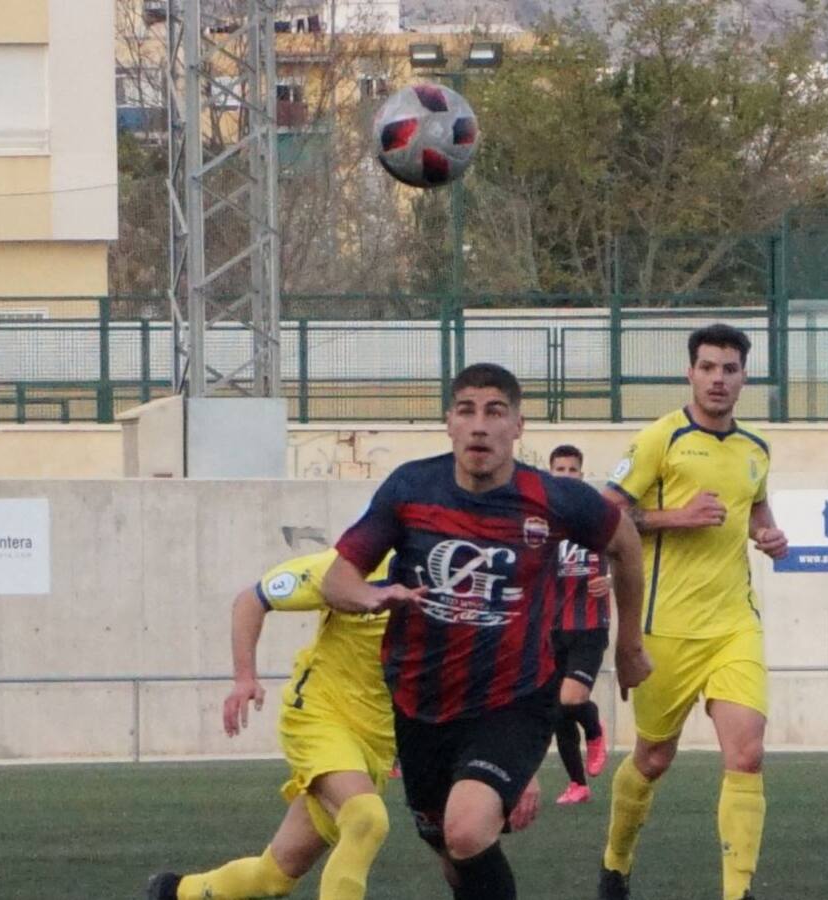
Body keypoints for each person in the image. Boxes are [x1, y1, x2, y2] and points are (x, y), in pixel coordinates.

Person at [321, 362, 652, 900]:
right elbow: (339, 577)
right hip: (417, 703)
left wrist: (631, 644)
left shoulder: (554, 498)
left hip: (513, 698)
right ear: (448, 422)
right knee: (452, 851)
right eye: (467, 411)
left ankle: (504, 782)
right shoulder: (410, 488)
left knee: (467, 830)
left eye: (495, 412)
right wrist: (372, 595)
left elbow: (626, 544)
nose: (480, 426)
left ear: (517, 426)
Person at [596, 324, 789, 900]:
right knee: (653, 759)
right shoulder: (662, 438)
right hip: (665, 630)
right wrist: (672, 517)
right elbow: (604, 517)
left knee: (747, 752)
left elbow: (754, 507)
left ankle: (738, 891)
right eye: (707, 368)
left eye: (729, 369)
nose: (718, 379)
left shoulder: (756, 448)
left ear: (743, 378)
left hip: (734, 625)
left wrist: (769, 534)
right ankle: (615, 864)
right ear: (690, 373)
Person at [146, 550, 400, 900]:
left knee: (275, 876)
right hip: (319, 716)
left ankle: (176, 892)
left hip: (376, 740)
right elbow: (252, 599)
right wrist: (244, 677)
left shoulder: (462, 589)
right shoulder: (350, 566)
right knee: (366, 817)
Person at [548, 444, 612, 805]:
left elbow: (630, 551)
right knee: (557, 712)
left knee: (571, 698)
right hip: (551, 628)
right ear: (550, 473)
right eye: (561, 469)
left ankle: (594, 727)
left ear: (581, 474)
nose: (567, 476)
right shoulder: (541, 520)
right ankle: (578, 784)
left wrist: (613, 579)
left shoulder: (598, 514)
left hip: (589, 625)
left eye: (573, 470)